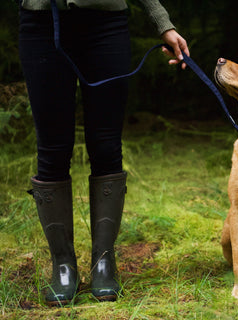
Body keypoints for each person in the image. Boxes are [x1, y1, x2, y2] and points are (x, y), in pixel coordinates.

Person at [18, 0, 189, 306]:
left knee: (107, 146)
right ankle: (63, 267)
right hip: (41, 23)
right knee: (53, 150)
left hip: (106, 24)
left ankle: (104, 264)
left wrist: (163, 23)